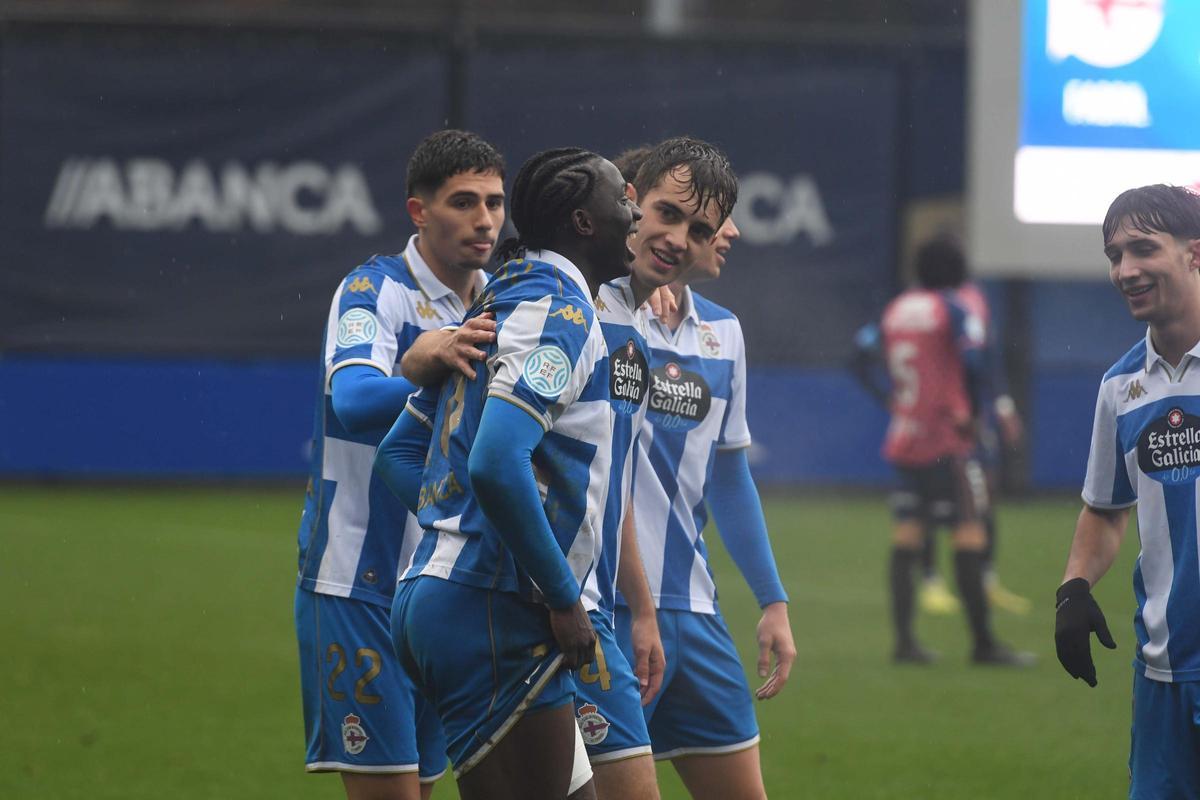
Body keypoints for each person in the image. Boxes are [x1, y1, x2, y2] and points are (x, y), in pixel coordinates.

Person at [375, 147, 642, 800]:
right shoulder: (561, 314)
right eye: (621, 198)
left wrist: (457, 535)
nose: (632, 209)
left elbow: (398, 454)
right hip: (492, 612)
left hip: (453, 597)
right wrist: (559, 596)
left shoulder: (502, 300)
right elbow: (495, 462)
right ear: (583, 223)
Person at [294, 129, 505, 800]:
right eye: (463, 202)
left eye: (495, 203)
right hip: (360, 578)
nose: (484, 220)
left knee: (424, 782)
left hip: (445, 588)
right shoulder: (371, 290)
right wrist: (427, 368)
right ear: (419, 212)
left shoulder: (502, 299)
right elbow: (351, 401)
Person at [616, 139, 795, 800]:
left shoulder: (724, 333)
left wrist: (772, 600)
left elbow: (727, 475)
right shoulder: (598, 312)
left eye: (706, 225)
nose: (725, 234)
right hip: (607, 610)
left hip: (695, 611)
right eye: (680, 217)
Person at [1055, 184, 1200, 798]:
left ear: (1195, 254)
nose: (1126, 270)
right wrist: (1073, 588)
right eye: (1115, 254)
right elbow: (1105, 511)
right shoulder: (1120, 389)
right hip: (1164, 671)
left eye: (1144, 248)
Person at [853, 237, 1033, 666]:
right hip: (949, 442)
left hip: (906, 438)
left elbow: (860, 355)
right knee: (969, 531)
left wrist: (890, 399)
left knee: (908, 534)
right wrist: (972, 412)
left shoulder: (896, 309)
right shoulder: (954, 309)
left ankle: (904, 643)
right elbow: (974, 361)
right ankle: (984, 644)